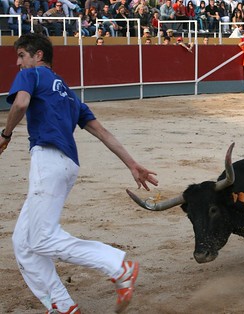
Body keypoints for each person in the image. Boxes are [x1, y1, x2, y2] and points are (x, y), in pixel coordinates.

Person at [0, 33, 158, 314]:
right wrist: (131, 164)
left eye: (22, 55)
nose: (18, 62)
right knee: (23, 243)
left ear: (38, 56)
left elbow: (21, 103)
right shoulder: (69, 95)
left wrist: (6, 134)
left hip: (48, 160)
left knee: (41, 238)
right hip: (66, 165)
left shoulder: (32, 75)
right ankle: (62, 306)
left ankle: (118, 266)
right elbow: (101, 132)